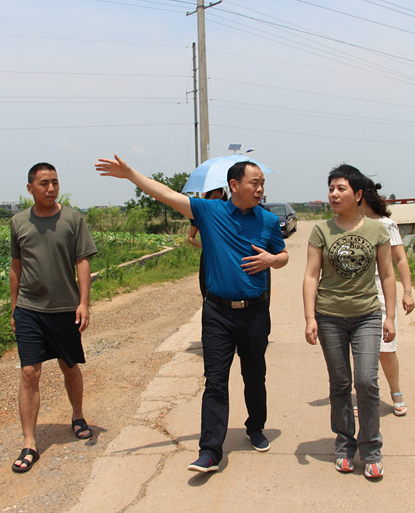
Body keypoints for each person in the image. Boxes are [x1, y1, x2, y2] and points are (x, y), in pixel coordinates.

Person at [95, 155, 288, 473]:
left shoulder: (267, 220)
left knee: (254, 377)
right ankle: (210, 450)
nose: (260, 188)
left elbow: (283, 256)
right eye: (255, 183)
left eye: (263, 183)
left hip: (254, 313)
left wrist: (272, 259)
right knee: (214, 381)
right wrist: (131, 174)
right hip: (217, 314)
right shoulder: (209, 212)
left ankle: (255, 427)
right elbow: (165, 194)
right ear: (234, 185)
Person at [302, 163, 396, 480]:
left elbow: (387, 274)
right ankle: (344, 446)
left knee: (367, 382)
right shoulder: (320, 231)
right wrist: (309, 317)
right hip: (329, 317)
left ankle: (371, 450)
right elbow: (311, 275)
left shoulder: (377, 230)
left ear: (357, 195)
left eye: (341, 189)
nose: (334, 194)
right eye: (331, 189)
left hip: (367, 315)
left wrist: (391, 316)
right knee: (340, 385)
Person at [9, 162, 98, 473]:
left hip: (64, 310)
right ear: (30, 188)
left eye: (55, 183)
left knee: (69, 366)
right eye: (44, 183)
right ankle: (29, 442)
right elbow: (16, 266)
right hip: (30, 309)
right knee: (29, 374)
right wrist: (14, 307)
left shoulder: (73, 219)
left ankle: (77, 414)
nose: (51, 188)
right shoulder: (18, 222)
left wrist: (83, 303)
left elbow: (82, 262)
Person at [360, 179, 414, 417]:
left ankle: (396, 392)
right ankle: (365, 396)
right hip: (355, 297)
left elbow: (400, 260)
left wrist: (408, 292)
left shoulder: (386, 224)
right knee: (361, 351)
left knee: (386, 349)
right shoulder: (349, 224)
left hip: (381, 295)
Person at [187, 187, 227, 298]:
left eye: (221, 199)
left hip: (225, 255)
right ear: (207, 198)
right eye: (214, 198)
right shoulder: (199, 216)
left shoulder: (227, 216)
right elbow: (191, 238)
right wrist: (205, 246)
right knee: (207, 289)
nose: (217, 201)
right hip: (208, 256)